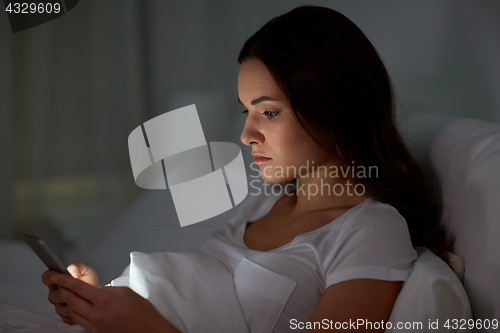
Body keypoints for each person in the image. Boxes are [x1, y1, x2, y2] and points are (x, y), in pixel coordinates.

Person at [42, 5, 450, 332]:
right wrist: (98, 305)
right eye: (247, 112)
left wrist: (142, 327)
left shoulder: (369, 230)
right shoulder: (262, 202)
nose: (247, 135)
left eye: (268, 112)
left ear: (335, 110)